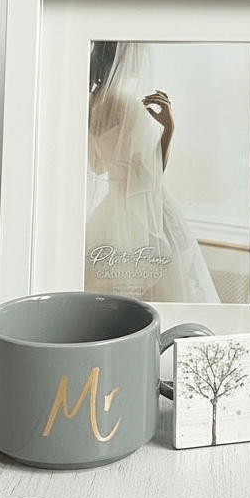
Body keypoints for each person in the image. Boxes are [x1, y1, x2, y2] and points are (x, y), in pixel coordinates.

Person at [85, 41, 219, 303]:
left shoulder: (91, 103)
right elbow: (151, 176)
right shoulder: (126, 105)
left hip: (111, 209)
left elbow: (97, 166)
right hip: (144, 209)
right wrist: (169, 128)